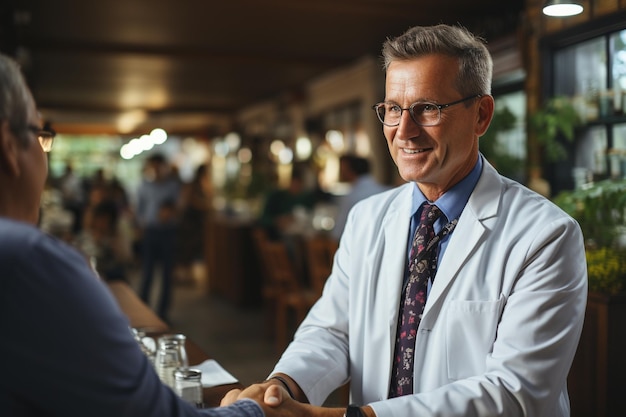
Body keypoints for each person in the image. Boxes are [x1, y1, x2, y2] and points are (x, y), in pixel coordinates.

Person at [222, 24, 588, 417]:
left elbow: (517, 394)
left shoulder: (545, 235)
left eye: (428, 108)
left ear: (481, 115)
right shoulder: (367, 218)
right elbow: (332, 331)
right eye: (393, 109)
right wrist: (280, 388)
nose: (405, 131)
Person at [0, 51, 298, 417]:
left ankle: (160, 311)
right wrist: (253, 410)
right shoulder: (28, 259)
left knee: (162, 277)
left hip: (165, 234)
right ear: (9, 146)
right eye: (42, 135)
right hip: (154, 235)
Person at [135, 153, 182, 321]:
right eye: (153, 167)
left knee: (167, 275)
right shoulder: (144, 186)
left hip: (168, 232)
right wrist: (140, 227)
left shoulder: (173, 186)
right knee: (147, 272)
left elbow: (178, 208)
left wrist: (169, 214)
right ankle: (142, 311)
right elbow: (139, 209)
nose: (156, 170)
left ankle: (163, 313)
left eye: (158, 166)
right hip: (150, 232)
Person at [330, 155, 389, 241]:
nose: (341, 172)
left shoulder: (351, 197)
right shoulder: (387, 191)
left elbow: (338, 232)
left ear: (350, 170)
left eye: (343, 168)